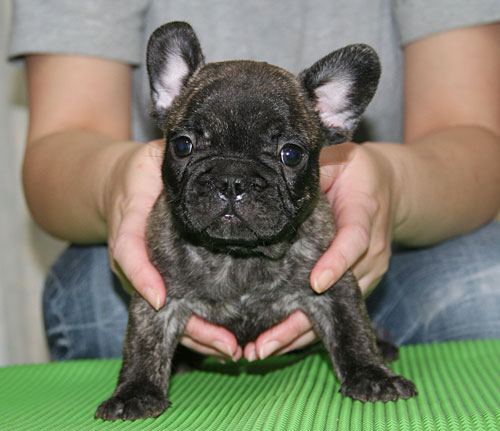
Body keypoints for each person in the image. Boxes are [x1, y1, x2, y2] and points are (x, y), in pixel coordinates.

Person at [8, 0, 500, 362]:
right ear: (164, 100)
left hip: (396, 241)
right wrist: (110, 180)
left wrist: (395, 183)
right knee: (88, 300)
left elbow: (473, 138)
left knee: (485, 288)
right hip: (163, 243)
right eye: (186, 146)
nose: (233, 186)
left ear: (335, 119)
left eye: (287, 154)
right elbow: (60, 143)